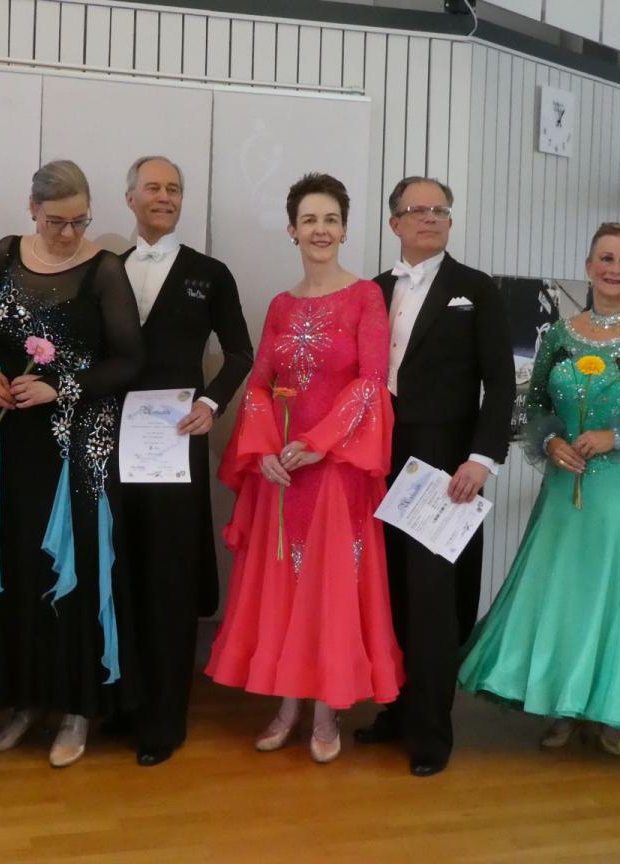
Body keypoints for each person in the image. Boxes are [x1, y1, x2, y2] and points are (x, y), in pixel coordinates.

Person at [457, 222, 620, 754]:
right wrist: (552, 440)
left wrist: (617, 436)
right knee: (565, 593)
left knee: (619, 596)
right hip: (566, 485)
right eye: (606, 258)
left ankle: (613, 709)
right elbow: (537, 405)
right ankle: (563, 702)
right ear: (588, 266)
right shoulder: (560, 334)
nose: (614, 269)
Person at [205, 173, 403, 763]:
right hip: (283, 475)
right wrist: (264, 449)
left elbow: (371, 383)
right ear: (292, 230)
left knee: (331, 591)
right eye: (310, 220)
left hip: (336, 470)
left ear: (344, 229)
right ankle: (288, 704)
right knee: (285, 589)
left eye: (331, 220)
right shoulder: (281, 305)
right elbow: (259, 383)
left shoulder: (365, 296)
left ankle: (326, 710)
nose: (321, 230)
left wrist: (320, 443)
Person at [0, 159, 144, 769]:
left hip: (75, 443)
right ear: (32, 210)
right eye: (55, 221)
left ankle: (75, 707)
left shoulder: (105, 270)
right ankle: (24, 699)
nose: (68, 233)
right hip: (9, 438)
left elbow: (128, 361)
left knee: (74, 568)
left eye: (79, 220)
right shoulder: (5, 254)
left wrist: (60, 387)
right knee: (17, 564)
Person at [355, 177, 515, 777]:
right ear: (393, 222)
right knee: (389, 592)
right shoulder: (372, 290)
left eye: (439, 210)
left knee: (432, 601)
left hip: (447, 468)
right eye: (417, 210)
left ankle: (431, 733)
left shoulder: (477, 289)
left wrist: (482, 458)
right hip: (377, 461)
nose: (430, 218)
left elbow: (501, 382)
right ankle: (397, 710)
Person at [117, 156, 253, 766]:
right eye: (153, 187)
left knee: (169, 576)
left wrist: (210, 402)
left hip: (177, 443)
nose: (164, 197)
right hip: (113, 443)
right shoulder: (105, 269)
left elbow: (240, 352)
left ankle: (164, 718)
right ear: (131, 197)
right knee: (120, 568)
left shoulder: (209, 273)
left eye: (174, 188)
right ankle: (122, 703)